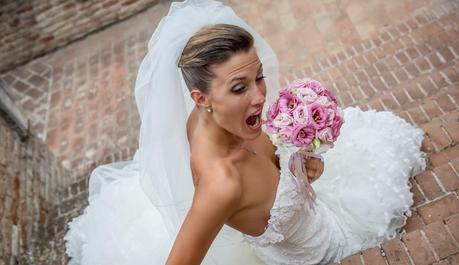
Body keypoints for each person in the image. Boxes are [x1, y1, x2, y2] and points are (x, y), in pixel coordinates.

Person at [64, 1, 426, 264]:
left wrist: (305, 167)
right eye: (239, 88)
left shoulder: (208, 116)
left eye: (259, 78)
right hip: (318, 252)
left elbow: (270, 161)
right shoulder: (221, 184)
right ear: (200, 97)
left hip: (314, 219)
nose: (259, 97)